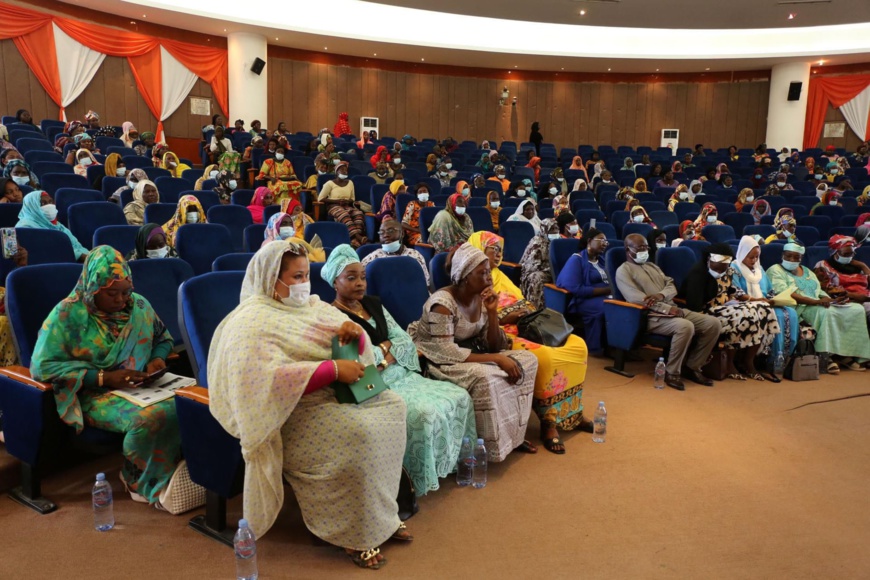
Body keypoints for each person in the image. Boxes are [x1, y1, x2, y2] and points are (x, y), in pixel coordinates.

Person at [208, 242, 410, 568]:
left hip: (335, 392)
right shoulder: (249, 323)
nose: (304, 283)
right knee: (359, 433)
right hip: (288, 411)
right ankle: (355, 535)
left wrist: (352, 334)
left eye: (306, 275)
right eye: (296, 276)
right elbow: (261, 385)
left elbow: (362, 349)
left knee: (395, 406)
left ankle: (380, 515)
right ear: (273, 278)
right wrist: (330, 369)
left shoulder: (313, 307)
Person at [30, 246, 203, 510]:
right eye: (112, 293)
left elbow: (163, 338)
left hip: (142, 383)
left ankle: (181, 466)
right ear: (92, 288)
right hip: (92, 393)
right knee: (151, 416)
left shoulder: (139, 305)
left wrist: (157, 358)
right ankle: (139, 480)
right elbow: (43, 367)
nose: (121, 300)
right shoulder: (68, 315)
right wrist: (105, 377)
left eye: (126, 291)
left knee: (194, 398)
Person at [323, 245, 475, 490]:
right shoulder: (331, 316)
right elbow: (357, 361)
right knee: (424, 413)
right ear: (335, 282)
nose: (360, 283)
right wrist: (385, 352)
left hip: (402, 373)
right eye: (351, 278)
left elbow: (403, 338)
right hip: (375, 384)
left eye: (362, 277)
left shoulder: (372, 304)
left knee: (460, 396)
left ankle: (453, 463)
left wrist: (380, 353)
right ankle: (413, 480)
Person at [408, 243, 538, 461]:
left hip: (468, 351)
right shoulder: (442, 303)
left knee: (528, 361)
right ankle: (487, 447)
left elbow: (495, 346)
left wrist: (493, 312)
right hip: (437, 359)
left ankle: (512, 436)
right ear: (465, 276)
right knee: (485, 376)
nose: (489, 277)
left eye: (488, 271)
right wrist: (496, 360)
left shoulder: (480, 296)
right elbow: (445, 351)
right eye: (482, 273)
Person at [469, 232, 591, 454]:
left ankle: (573, 412)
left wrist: (525, 312)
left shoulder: (501, 276)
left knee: (577, 345)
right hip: (502, 331)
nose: (498, 254)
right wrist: (508, 316)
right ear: (479, 249)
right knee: (546, 357)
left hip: (528, 325)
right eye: (492, 249)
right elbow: (478, 320)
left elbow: (521, 300)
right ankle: (549, 423)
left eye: (500, 250)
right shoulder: (473, 279)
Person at [615, 234, 722, 390]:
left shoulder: (653, 266)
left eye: (646, 247)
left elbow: (671, 285)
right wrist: (666, 308)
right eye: (640, 248)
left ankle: (693, 367)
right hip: (650, 316)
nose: (645, 250)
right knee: (685, 326)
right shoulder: (623, 271)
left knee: (713, 324)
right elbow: (637, 299)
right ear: (628, 249)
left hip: (673, 308)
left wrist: (662, 295)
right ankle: (672, 372)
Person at [680, 243, 780, 381]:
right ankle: (730, 363)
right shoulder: (698, 273)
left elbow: (731, 291)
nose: (721, 272)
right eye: (718, 269)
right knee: (740, 315)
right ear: (709, 260)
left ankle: (748, 362)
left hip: (725, 306)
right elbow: (694, 306)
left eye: (724, 268)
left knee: (763, 308)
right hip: (705, 311)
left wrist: (735, 301)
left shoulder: (729, 271)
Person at [768, 242, 870, 373]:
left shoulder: (807, 271)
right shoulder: (775, 270)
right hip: (798, 307)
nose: (792, 260)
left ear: (801, 258)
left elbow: (818, 290)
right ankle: (825, 355)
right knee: (825, 313)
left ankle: (846, 354)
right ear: (782, 255)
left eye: (796, 257)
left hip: (817, 303)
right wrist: (816, 302)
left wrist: (832, 299)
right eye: (788, 256)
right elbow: (787, 293)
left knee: (856, 309)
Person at [729, 236, 796, 377]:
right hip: (745, 304)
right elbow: (736, 292)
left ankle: (783, 358)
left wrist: (774, 300)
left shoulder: (760, 269)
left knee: (789, 312)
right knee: (767, 313)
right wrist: (757, 300)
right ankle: (758, 360)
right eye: (750, 257)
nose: (754, 261)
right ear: (742, 254)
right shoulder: (734, 267)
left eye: (756, 257)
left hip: (763, 303)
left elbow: (770, 291)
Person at [556, 227, 610, 355]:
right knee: (605, 308)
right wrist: (606, 290)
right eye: (601, 240)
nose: (604, 244)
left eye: (606, 242)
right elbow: (576, 289)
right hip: (583, 300)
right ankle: (595, 347)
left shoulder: (602, 260)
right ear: (590, 241)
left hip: (606, 295)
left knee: (621, 307)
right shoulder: (577, 259)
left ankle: (617, 345)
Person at [813, 235, 870, 322]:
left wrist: (863, 266)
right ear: (835, 252)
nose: (850, 256)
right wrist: (852, 295)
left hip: (866, 299)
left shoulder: (858, 265)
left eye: (852, 253)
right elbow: (824, 290)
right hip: (845, 301)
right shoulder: (823, 266)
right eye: (846, 254)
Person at [16, 191, 87, 260]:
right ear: (33, 207)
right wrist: (83, 257)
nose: (49, 206)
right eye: (43, 203)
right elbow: (52, 251)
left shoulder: (58, 226)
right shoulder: (25, 227)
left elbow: (77, 246)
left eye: (50, 202)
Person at [361, 219, 430, 286]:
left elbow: (426, 284)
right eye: (381, 232)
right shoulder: (372, 258)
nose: (385, 235)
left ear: (402, 234)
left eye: (390, 231)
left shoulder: (415, 255)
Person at [318, 162, 368, 248]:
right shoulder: (330, 183)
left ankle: (354, 240)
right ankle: (358, 237)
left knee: (358, 214)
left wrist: (347, 201)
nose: (345, 171)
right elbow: (320, 198)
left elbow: (352, 198)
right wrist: (337, 201)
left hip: (347, 205)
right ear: (337, 172)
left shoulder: (350, 183)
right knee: (344, 215)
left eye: (346, 170)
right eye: (342, 169)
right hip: (333, 206)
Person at [518, 219, 560, 309]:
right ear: (544, 229)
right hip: (538, 271)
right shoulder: (537, 242)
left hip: (554, 271)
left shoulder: (559, 242)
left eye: (557, 228)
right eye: (552, 229)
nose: (556, 231)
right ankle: (535, 309)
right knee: (536, 277)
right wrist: (549, 269)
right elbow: (531, 265)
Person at [262, 210, 326, 262]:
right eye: (284, 224)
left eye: (290, 224)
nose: (288, 227)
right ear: (274, 226)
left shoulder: (296, 241)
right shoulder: (268, 246)